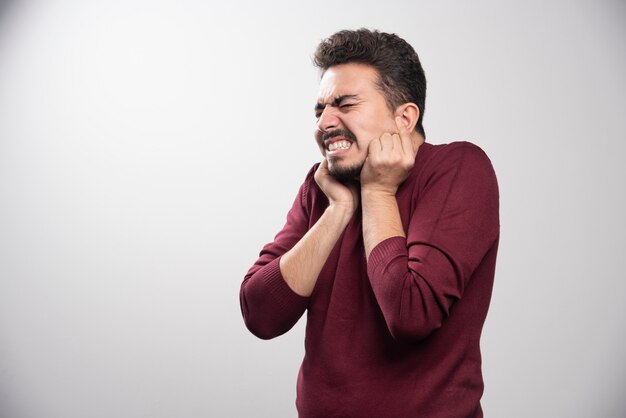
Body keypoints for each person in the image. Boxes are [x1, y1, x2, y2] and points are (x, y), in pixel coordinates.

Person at [239, 28, 500, 418]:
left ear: (405, 117)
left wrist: (378, 193)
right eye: (320, 108)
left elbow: (411, 313)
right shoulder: (322, 189)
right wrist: (338, 210)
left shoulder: (458, 169)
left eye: (345, 104)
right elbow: (260, 313)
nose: (325, 122)